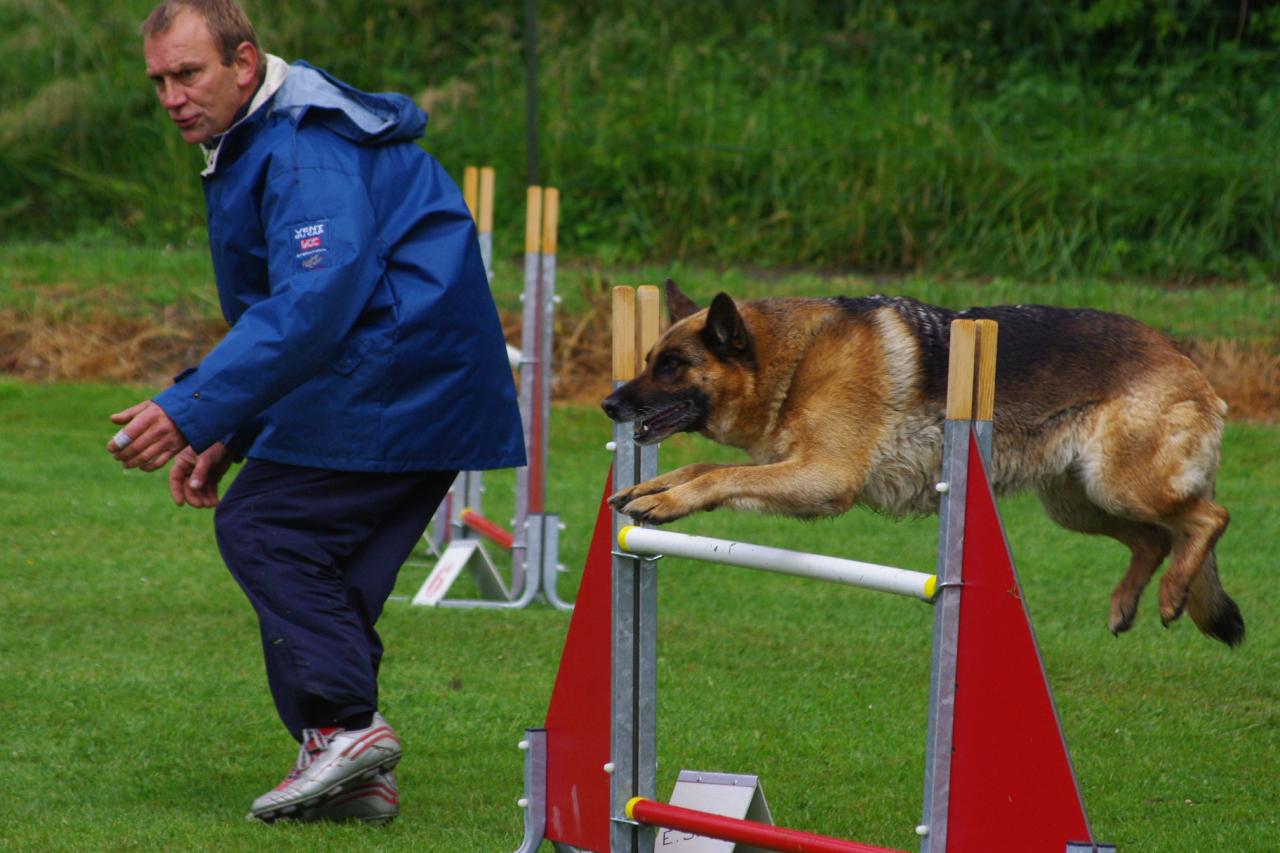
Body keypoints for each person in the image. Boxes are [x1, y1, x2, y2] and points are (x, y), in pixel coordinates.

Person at [109, 0, 525, 825]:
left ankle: (343, 729)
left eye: (187, 73)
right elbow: (300, 311)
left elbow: (314, 303)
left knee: (264, 527)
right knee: (327, 576)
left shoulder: (304, 146)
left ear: (244, 64)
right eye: (158, 81)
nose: (171, 97)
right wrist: (236, 427)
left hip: (398, 383)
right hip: (425, 387)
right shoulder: (269, 137)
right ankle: (351, 768)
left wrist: (192, 408)